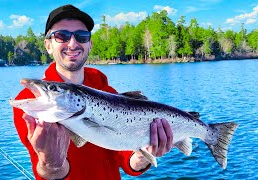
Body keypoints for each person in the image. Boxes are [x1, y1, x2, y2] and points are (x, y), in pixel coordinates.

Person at [12, 4, 173, 180]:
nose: (72, 44)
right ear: (48, 45)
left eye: (81, 36)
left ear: (90, 44)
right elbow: (46, 173)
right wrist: (51, 163)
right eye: (61, 36)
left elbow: (126, 161)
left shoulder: (109, 92)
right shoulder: (31, 101)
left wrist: (144, 155)